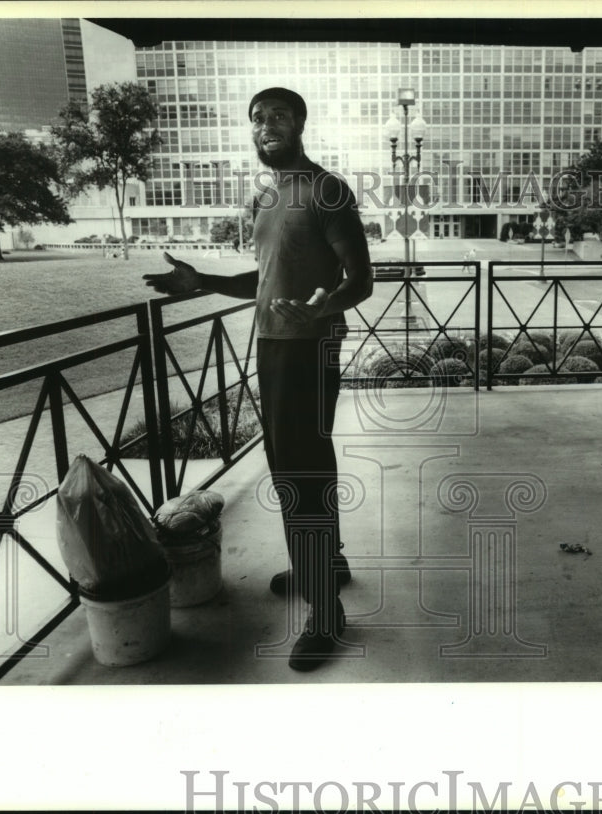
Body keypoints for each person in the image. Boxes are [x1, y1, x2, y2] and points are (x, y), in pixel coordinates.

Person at [143, 88, 374, 671]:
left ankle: (326, 613)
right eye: (256, 119)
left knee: (301, 471)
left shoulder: (328, 189)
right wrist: (205, 284)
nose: (264, 125)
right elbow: (268, 278)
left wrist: (324, 308)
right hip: (275, 345)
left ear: (299, 121)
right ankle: (329, 566)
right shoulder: (268, 195)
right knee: (302, 464)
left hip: (309, 346)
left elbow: (361, 279)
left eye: (277, 115)